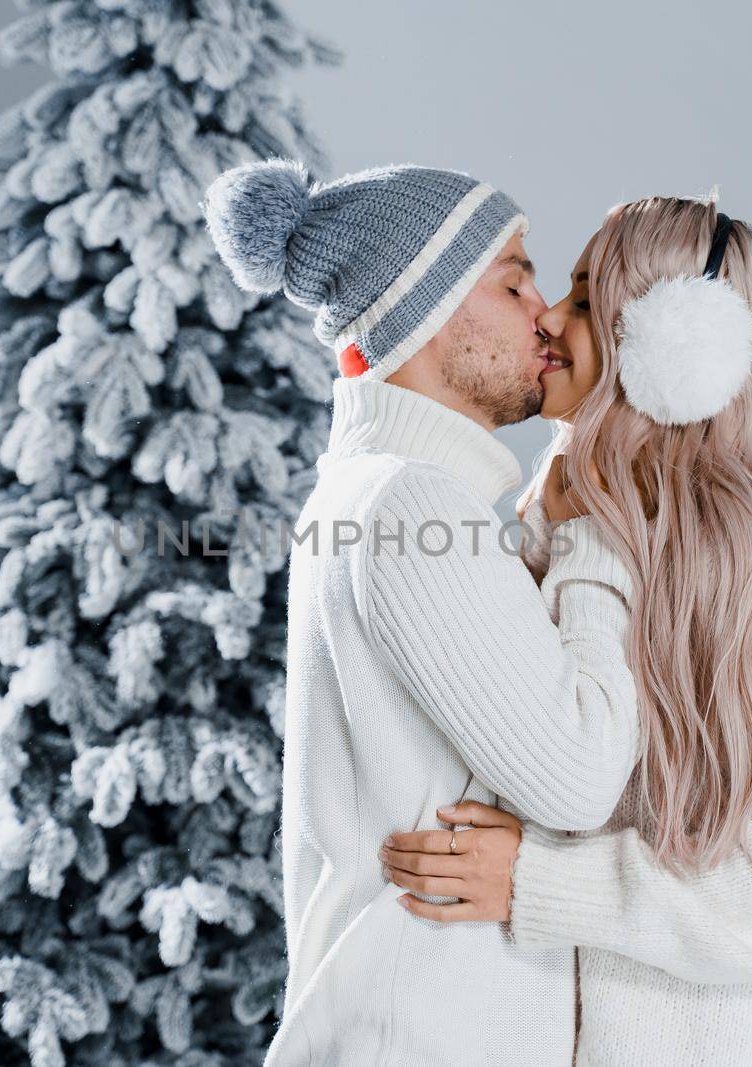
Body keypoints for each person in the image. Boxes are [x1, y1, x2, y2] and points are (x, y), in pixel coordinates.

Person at [377, 195, 752, 1065]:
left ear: (664, 352)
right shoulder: (573, 538)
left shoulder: (749, 587)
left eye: (585, 299)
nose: (548, 318)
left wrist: (538, 883)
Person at [202, 159, 643, 1066]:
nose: (544, 314)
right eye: (514, 279)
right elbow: (581, 775)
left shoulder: (392, 498)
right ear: (425, 310)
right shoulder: (408, 506)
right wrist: (594, 537)